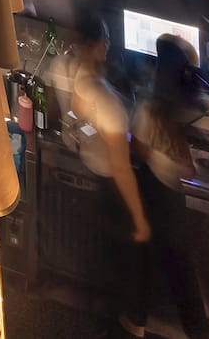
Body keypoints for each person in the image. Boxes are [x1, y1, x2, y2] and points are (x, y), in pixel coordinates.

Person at [56, 23, 149, 336]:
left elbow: (73, 122)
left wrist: (87, 137)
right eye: (106, 39)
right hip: (112, 188)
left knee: (96, 265)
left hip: (89, 178)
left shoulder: (68, 72)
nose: (108, 45)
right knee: (124, 271)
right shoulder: (108, 104)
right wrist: (140, 219)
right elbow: (121, 168)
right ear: (97, 45)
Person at [127, 38, 209, 339]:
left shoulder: (150, 107)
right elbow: (188, 165)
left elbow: (137, 148)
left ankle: (136, 323)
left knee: (148, 262)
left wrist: (152, 154)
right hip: (173, 197)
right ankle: (197, 330)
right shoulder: (192, 103)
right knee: (181, 271)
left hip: (154, 191)